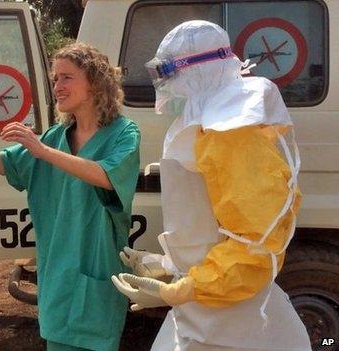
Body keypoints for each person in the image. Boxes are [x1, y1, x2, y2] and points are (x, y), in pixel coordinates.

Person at [111, 21, 311, 351]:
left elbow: (256, 246)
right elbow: (207, 225)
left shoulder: (231, 133)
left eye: (167, 72)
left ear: (194, 71)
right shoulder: (203, 125)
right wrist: (167, 267)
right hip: (208, 308)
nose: (164, 86)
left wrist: (176, 291)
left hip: (232, 322)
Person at [0, 42, 141, 351]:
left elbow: (106, 176)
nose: (57, 86)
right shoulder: (55, 138)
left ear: (95, 83)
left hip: (96, 267)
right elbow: (7, 164)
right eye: (55, 78)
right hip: (58, 271)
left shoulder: (124, 134)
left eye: (66, 77)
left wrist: (43, 151)